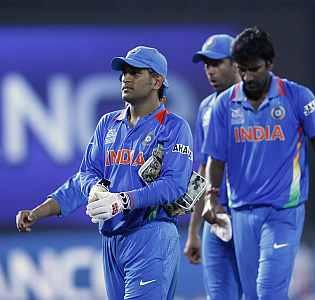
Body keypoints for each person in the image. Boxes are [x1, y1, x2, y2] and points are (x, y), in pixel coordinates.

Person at [16, 46, 193, 300]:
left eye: (135, 72)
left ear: (157, 81)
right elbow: (85, 175)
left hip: (151, 234)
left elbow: (174, 185)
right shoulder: (108, 123)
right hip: (112, 239)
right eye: (123, 72)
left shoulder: (174, 127)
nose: (125, 78)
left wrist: (122, 200)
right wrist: (39, 212)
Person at [202, 27, 315, 300]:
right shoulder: (224, 105)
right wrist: (210, 197)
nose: (247, 77)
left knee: (268, 292)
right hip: (242, 213)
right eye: (242, 70)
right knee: (253, 296)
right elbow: (215, 161)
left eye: (254, 69)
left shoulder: (298, 97)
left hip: (283, 211)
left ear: (270, 64)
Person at [183, 34, 243, 299]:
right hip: (214, 215)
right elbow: (201, 170)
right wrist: (193, 230)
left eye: (216, 63)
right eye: (206, 64)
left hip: (249, 212)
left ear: (235, 63)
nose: (210, 70)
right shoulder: (206, 107)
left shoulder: (252, 101)